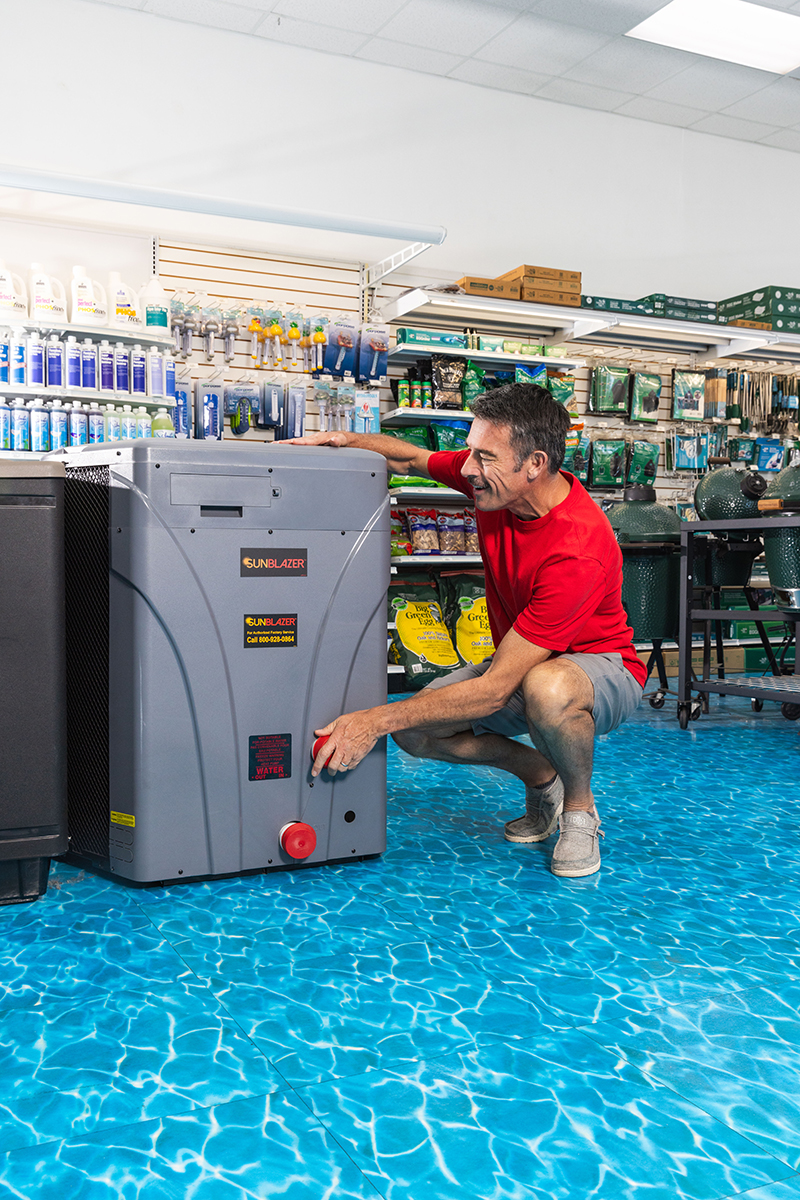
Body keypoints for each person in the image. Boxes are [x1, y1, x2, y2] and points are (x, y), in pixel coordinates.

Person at [287, 383, 646, 878]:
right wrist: (340, 441)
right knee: (414, 733)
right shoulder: (497, 482)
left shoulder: (578, 548)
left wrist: (372, 720)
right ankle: (541, 775)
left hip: (602, 669)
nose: (469, 468)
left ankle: (580, 812)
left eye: (484, 456)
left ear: (535, 464)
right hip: (525, 657)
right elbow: (412, 458)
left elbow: (496, 690)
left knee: (549, 686)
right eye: (472, 451)